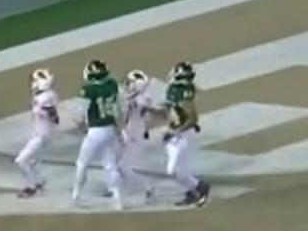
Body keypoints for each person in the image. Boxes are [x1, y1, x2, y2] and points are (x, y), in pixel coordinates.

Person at [72, 59, 124, 209]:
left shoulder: (88, 90)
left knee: (82, 164)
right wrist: (119, 130)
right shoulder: (112, 84)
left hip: (95, 130)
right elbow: (118, 109)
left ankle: (76, 196)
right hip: (110, 127)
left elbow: (80, 115)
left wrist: (82, 129)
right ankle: (118, 198)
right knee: (110, 164)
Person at [160, 61, 211, 207]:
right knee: (180, 170)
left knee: (173, 170)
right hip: (176, 132)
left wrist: (174, 131)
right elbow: (172, 113)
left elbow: (192, 118)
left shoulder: (183, 92)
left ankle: (200, 187)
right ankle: (193, 191)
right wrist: (168, 128)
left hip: (181, 134)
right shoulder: (173, 90)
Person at [16, 69, 59, 198]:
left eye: (34, 80)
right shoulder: (46, 95)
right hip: (42, 133)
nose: (32, 83)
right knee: (34, 161)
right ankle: (39, 182)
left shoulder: (45, 98)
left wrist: (48, 113)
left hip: (42, 135)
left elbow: (54, 117)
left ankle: (31, 187)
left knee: (21, 160)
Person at [117, 69, 156, 203]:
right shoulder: (134, 97)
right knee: (116, 161)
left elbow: (144, 110)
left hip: (135, 134)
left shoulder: (143, 99)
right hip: (128, 130)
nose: (128, 85)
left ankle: (148, 187)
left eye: (131, 82)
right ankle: (119, 187)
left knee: (123, 166)